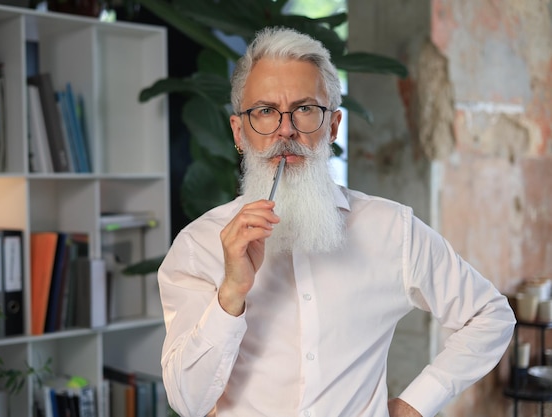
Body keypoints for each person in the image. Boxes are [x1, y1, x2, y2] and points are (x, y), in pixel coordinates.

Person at [157, 26, 516, 417]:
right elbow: (187, 401)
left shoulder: (392, 229)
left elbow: (490, 315)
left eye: (305, 109)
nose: (286, 129)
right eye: (264, 112)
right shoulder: (198, 245)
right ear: (239, 132)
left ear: (332, 126)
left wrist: (416, 405)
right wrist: (231, 293)